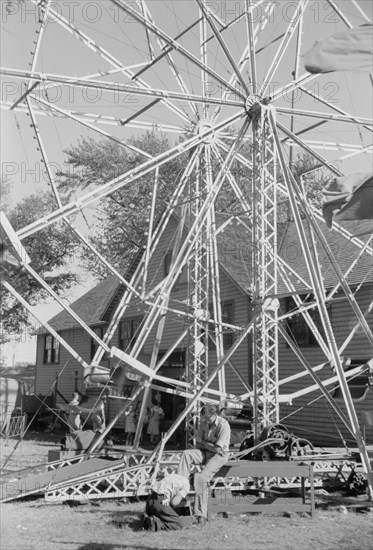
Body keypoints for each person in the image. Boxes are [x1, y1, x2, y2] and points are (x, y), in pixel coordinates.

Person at [177, 403, 231, 524]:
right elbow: (198, 444)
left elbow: (218, 449)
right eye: (204, 418)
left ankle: (200, 514)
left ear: (214, 415)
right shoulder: (204, 422)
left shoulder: (224, 425)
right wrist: (207, 444)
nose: (206, 421)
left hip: (219, 456)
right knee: (186, 454)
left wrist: (204, 443)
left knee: (201, 478)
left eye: (208, 419)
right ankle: (180, 490)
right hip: (205, 452)